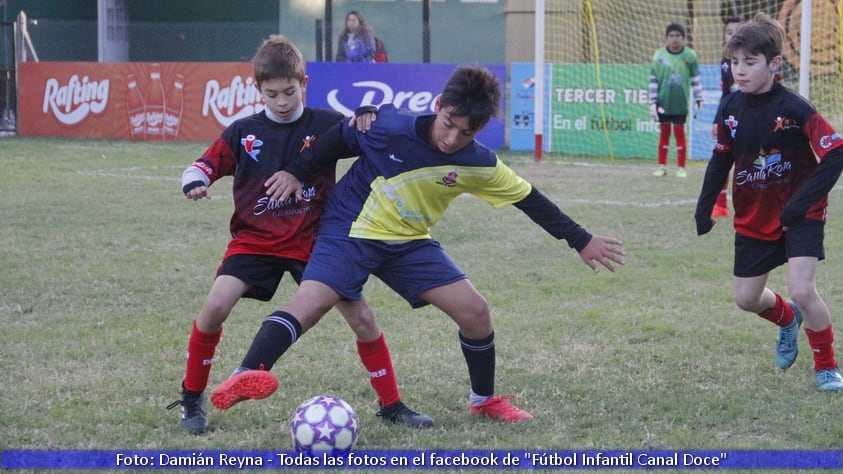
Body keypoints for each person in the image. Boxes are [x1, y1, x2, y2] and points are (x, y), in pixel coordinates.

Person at [210, 65, 626, 423]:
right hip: (351, 229)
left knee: (475, 312)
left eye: (466, 132)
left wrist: (581, 239)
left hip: (408, 241)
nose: (451, 138)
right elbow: (336, 140)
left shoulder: (479, 162)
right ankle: (246, 373)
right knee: (312, 302)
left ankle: (484, 402)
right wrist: (297, 173)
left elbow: (529, 199)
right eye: (448, 122)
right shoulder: (388, 128)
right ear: (439, 103)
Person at [167, 35, 432, 435]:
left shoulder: (326, 124)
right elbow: (201, 166)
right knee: (214, 307)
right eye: (272, 93)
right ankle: (191, 399)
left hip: (315, 242)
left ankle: (392, 404)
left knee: (362, 318)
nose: (282, 101)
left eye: (289, 91)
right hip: (255, 240)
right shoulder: (243, 132)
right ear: (257, 89)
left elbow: (371, 131)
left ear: (303, 83)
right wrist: (194, 184)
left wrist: (369, 110)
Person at [694, 13, 843, 391]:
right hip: (753, 213)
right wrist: (705, 205)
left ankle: (826, 367)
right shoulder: (730, 106)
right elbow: (721, 157)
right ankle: (786, 319)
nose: (739, 70)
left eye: (749, 62)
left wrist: (801, 203)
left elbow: (836, 151)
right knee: (745, 298)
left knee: (803, 289)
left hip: (801, 213)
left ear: (774, 63)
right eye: (734, 62)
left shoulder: (794, 107)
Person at [649, 22, 703, 178]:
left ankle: (681, 168)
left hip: (680, 103)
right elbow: (654, 80)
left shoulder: (689, 55)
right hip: (663, 103)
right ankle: (661, 166)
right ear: (666, 38)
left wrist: (699, 97)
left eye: (678, 36)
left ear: (683, 38)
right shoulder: (659, 55)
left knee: (680, 134)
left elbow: (695, 78)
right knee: (664, 134)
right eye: (671, 36)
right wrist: (652, 102)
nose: (674, 39)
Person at [710, 16, 745, 219]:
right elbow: (725, 94)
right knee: (723, 159)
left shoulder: (756, 57)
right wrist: (717, 120)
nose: (733, 36)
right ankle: (720, 204)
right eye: (729, 32)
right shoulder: (725, 62)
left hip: (750, 117)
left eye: (738, 31)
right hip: (730, 118)